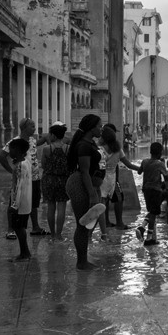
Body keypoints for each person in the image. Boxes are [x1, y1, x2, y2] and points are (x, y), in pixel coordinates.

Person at [0, 117, 50, 237]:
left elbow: (38, 145)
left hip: (35, 177)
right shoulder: (16, 141)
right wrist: (11, 170)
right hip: (22, 178)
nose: (34, 128)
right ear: (24, 128)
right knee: (14, 201)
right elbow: (1, 154)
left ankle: (35, 227)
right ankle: (10, 229)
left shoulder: (32, 140)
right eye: (32, 126)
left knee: (34, 203)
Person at [65, 114, 106, 270]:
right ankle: (81, 262)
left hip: (88, 185)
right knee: (82, 225)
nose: (101, 129)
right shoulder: (83, 146)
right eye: (99, 126)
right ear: (91, 127)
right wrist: (92, 194)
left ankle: (83, 259)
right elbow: (84, 171)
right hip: (80, 185)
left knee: (87, 224)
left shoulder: (91, 143)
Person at [98, 123, 140, 229]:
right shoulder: (117, 149)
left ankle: (105, 226)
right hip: (112, 178)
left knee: (103, 202)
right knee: (118, 199)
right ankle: (118, 224)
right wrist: (140, 169)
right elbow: (128, 164)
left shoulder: (100, 150)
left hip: (101, 178)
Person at [41, 122, 70, 238]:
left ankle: (52, 233)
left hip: (49, 179)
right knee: (62, 207)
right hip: (63, 180)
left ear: (53, 135)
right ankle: (59, 234)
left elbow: (43, 165)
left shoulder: (47, 149)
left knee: (51, 206)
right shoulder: (68, 148)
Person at [136, 143, 167, 245]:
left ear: (150, 152)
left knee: (151, 211)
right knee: (154, 213)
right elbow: (166, 177)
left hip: (146, 189)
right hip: (156, 190)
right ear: (160, 153)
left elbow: (139, 172)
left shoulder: (145, 161)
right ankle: (147, 235)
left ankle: (147, 232)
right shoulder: (160, 164)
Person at [7, 138, 32, 262]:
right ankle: (25, 252)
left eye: (11, 148)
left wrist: (14, 205)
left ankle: (24, 253)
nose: (9, 151)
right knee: (20, 227)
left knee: (18, 227)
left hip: (20, 202)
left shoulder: (20, 166)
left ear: (17, 150)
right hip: (24, 201)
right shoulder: (25, 162)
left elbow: (20, 186)